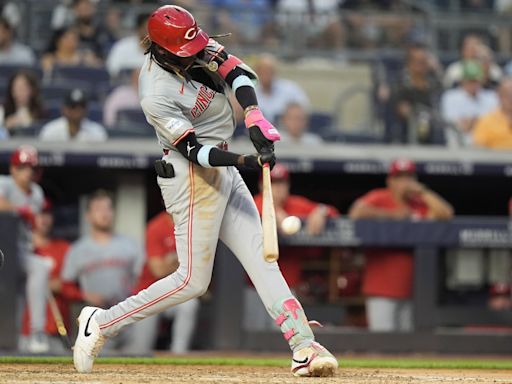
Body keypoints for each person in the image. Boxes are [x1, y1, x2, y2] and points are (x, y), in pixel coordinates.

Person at [72, 5, 338, 378]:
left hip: (222, 165)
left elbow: (237, 71)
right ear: (160, 50)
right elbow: (195, 151)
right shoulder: (155, 93)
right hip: (193, 176)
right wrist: (244, 162)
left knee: (263, 257)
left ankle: (303, 345)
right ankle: (101, 322)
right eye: (186, 50)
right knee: (191, 281)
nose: (196, 52)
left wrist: (253, 116)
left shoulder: (188, 40)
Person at [348, 158, 454, 332]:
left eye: (409, 177)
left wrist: (423, 192)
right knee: (382, 342)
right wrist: (392, 215)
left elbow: (446, 214)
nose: (405, 182)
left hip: (414, 289)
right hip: (381, 288)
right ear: (390, 181)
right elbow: (356, 212)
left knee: (410, 346)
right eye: (400, 178)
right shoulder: (380, 197)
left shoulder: (419, 203)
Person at [247, 164, 339, 330]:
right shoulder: (254, 203)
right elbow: (251, 210)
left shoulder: (296, 204)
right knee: (253, 335)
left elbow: (333, 212)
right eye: (273, 183)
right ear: (263, 186)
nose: (279, 188)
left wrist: (321, 211)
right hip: (255, 288)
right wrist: (273, 212)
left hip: (287, 288)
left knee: (287, 338)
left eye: (282, 183)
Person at [61, 190, 144, 351]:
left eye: (108, 208)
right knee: (100, 368)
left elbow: (144, 278)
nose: (104, 214)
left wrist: (134, 297)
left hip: (129, 316)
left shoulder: (130, 245)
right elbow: (65, 286)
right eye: (98, 209)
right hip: (98, 318)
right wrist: (84, 295)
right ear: (88, 216)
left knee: (139, 363)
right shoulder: (78, 249)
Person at [0, 146, 52, 353]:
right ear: (13, 168)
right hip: (2, 251)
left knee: (23, 287)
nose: (27, 172)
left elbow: (34, 229)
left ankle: (28, 335)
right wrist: (21, 210)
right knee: (37, 269)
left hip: (18, 251)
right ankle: (36, 331)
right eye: (22, 167)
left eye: (31, 167)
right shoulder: (4, 183)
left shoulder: (37, 193)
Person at [127, 211, 200, 354]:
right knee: (140, 350)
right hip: (149, 292)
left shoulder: (195, 225)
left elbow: (199, 266)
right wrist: (182, 261)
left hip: (177, 291)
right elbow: (158, 270)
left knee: (190, 304)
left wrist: (172, 260)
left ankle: (179, 353)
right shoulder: (157, 226)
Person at [20, 199, 71, 354]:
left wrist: (59, 285)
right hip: (22, 331)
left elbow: (75, 287)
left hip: (56, 329)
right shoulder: (20, 252)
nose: (43, 219)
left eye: (47, 214)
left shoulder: (64, 248)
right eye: (39, 214)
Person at [390, 44, 443, 144]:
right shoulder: (402, 86)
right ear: (408, 64)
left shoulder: (434, 85)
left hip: (432, 136)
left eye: (423, 62)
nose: (419, 66)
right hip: (406, 137)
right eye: (416, 62)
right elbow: (402, 110)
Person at [441, 60, 498, 146]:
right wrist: (479, 122)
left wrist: (470, 122)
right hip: (458, 145)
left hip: (487, 146)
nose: (473, 84)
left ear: (481, 80)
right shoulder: (450, 97)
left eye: (475, 80)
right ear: (462, 80)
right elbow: (456, 126)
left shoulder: (492, 97)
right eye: (469, 80)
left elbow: (495, 124)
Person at [253, 53, 310, 125]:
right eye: (262, 71)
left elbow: (304, 110)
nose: (266, 74)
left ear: (275, 72)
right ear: (256, 73)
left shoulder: (290, 88)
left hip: (286, 132)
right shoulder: (251, 92)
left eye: (269, 71)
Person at [39, 88, 107, 142]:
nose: (77, 110)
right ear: (64, 109)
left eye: (81, 106)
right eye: (72, 106)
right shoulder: (50, 131)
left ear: (86, 109)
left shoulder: (97, 132)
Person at [0, 69, 45, 134]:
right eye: (16, 88)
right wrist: (5, 126)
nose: (20, 92)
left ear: (32, 90)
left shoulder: (42, 111)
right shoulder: (2, 110)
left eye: (24, 88)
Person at [473, 77, 512, 149]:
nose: (510, 98)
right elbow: (478, 147)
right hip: (496, 159)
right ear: (499, 95)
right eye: (507, 94)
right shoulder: (486, 120)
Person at [106, 13, 149, 78]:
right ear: (139, 28)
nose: (151, 33)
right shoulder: (122, 46)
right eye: (147, 29)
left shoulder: (162, 51)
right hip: (126, 85)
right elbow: (112, 70)